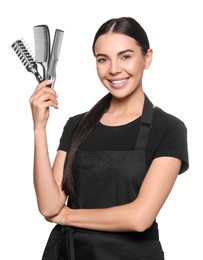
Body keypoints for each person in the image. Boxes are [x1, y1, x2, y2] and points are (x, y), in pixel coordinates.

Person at [29, 17, 189, 260]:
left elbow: (139, 218)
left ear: (147, 58)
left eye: (125, 56)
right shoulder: (77, 125)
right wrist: (39, 128)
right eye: (103, 59)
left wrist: (66, 216)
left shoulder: (168, 129)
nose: (113, 69)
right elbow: (49, 206)